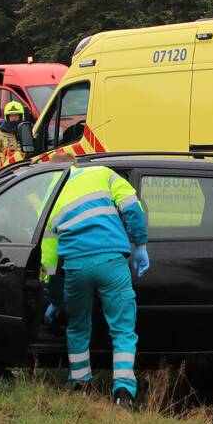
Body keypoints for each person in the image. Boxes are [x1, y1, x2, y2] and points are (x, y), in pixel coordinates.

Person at [41, 161, 149, 409]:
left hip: (75, 265)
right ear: (75, 164)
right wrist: (140, 244)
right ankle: (123, 392)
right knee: (122, 330)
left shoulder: (52, 193)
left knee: (78, 327)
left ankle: (81, 385)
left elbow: (49, 258)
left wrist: (55, 299)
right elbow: (132, 206)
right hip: (112, 260)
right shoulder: (102, 173)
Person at [0, 100, 27, 165]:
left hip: (23, 164)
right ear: (7, 117)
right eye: (11, 116)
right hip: (5, 167)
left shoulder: (26, 130)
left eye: (16, 116)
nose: (14, 118)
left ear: (21, 116)